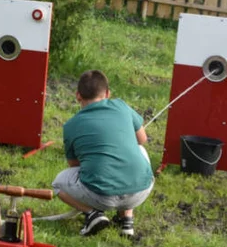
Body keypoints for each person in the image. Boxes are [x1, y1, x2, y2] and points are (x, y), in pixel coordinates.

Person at [52, 70, 154, 237]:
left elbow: (75, 165)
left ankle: (93, 214)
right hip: (141, 190)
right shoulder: (121, 106)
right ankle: (127, 221)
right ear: (107, 93)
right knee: (139, 150)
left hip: (101, 197)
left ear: (78, 95)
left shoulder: (71, 125)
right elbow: (142, 140)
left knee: (57, 183)